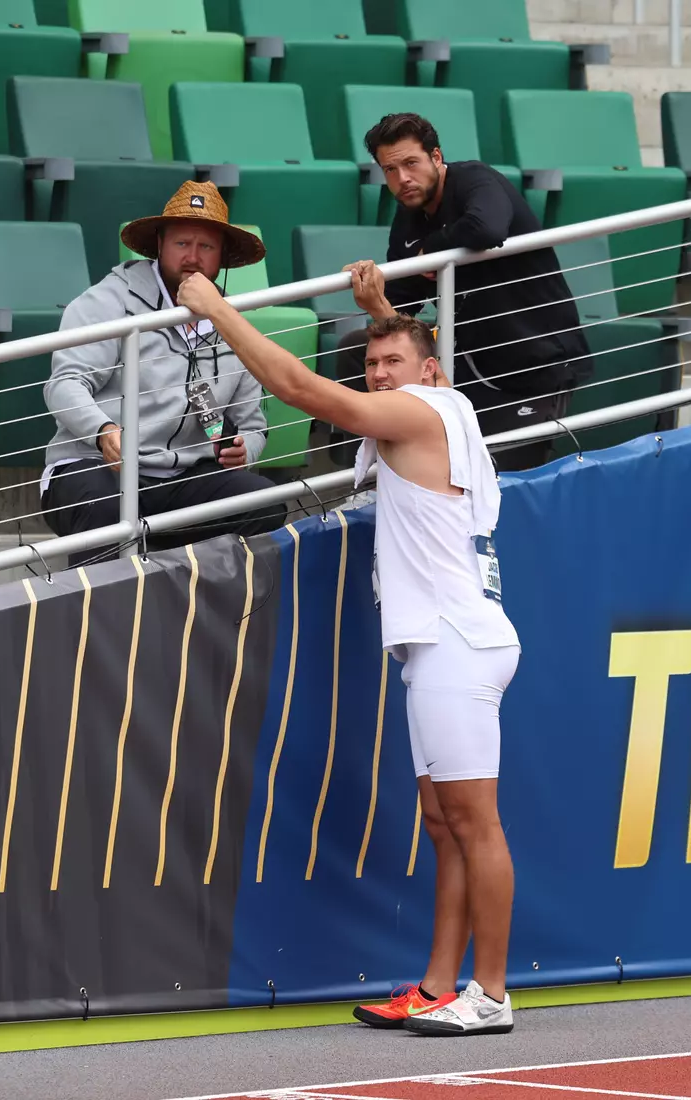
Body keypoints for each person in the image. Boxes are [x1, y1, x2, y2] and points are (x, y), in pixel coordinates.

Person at [179, 268, 522, 1037]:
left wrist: (215, 307)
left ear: (428, 372)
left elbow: (297, 387)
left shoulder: (420, 409)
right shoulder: (443, 404)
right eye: (369, 365)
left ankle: (492, 995)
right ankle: (437, 986)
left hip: (456, 642)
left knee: (474, 825)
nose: (377, 374)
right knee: (442, 825)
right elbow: (406, 353)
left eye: (391, 363)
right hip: (442, 644)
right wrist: (381, 313)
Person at [40, 180, 286, 567]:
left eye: (206, 247)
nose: (193, 257)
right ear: (159, 245)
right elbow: (65, 384)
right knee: (107, 509)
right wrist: (103, 431)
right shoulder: (109, 300)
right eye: (182, 243)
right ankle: (100, 607)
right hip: (96, 466)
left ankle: (202, 598)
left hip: (183, 477)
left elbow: (252, 423)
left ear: (222, 256)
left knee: (264, 503)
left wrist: (246, 450)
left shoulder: (232, 322)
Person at [337, 112, 592, 472]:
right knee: (358, 349)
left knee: (490, 479)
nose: (402, 178)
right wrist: (373, 290)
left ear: (436, 157)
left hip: (532, 366)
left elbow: (487, 228)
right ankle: (367, 477)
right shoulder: (408, 215)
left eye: (411, 163)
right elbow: (405, 300)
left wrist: (432, 251)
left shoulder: (474, 179)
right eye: (390, 170)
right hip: (465, 361)